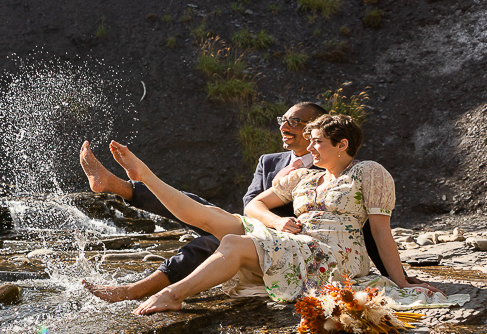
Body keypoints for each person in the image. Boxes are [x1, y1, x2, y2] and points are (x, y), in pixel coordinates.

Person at [95, 114, 439, 315]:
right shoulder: (305, 176)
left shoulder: (369, 172)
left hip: (334, 257)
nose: (309, 147)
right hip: (297, 241)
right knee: (214, 217)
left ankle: (173, 295)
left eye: (316, 141)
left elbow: (380, 232)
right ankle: (147, 177)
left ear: (342, 144)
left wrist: (402, 280)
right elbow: (253, 206)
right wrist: (277, 222)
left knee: (232, 241)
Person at [80, 101, 332, 303]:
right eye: (283, 120)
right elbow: (249, 202)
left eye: (294, 121)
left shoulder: (330, 168)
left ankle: (133, 290)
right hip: (253, 224)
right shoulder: (269, 161)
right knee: (203, 210)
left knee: (211, 242)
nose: (284, 126)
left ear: (315, 128)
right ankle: (121, 185)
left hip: (284, 243)